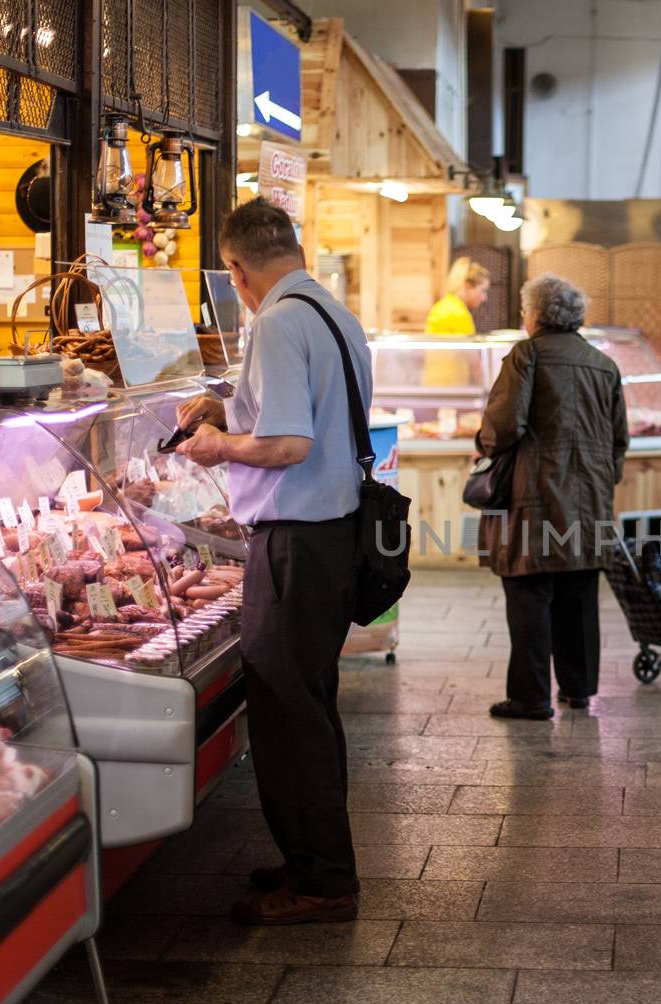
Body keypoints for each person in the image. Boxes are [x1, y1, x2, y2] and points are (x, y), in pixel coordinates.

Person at [174, 197, 373, 924]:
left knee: (290, 714)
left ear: (236, 268)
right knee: (306, 707)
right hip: (329, 538)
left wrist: (214, 446)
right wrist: (226, 408)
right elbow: (300, 415)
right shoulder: (329, 312)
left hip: (296, 540)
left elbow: (290, 443)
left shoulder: (279, 323)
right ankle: (312, 862)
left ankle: (322, 881)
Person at [476, 274, 628, 721]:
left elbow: (503, 427)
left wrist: (482, 443)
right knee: (579, 592)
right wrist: (602, 482)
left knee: (530, 595)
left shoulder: (527, 355)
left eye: (525, 310)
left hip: (535, 496)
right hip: (591, 500)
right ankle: (579, 691)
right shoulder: (604, 365)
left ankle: (530, 697)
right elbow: (620, 438)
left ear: (536, 314)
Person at [426, 256, 492, 336]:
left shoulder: (442, 305)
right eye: (482, 291)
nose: (485, 298)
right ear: (468, 286)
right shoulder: (459, 314)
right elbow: (468, 347)